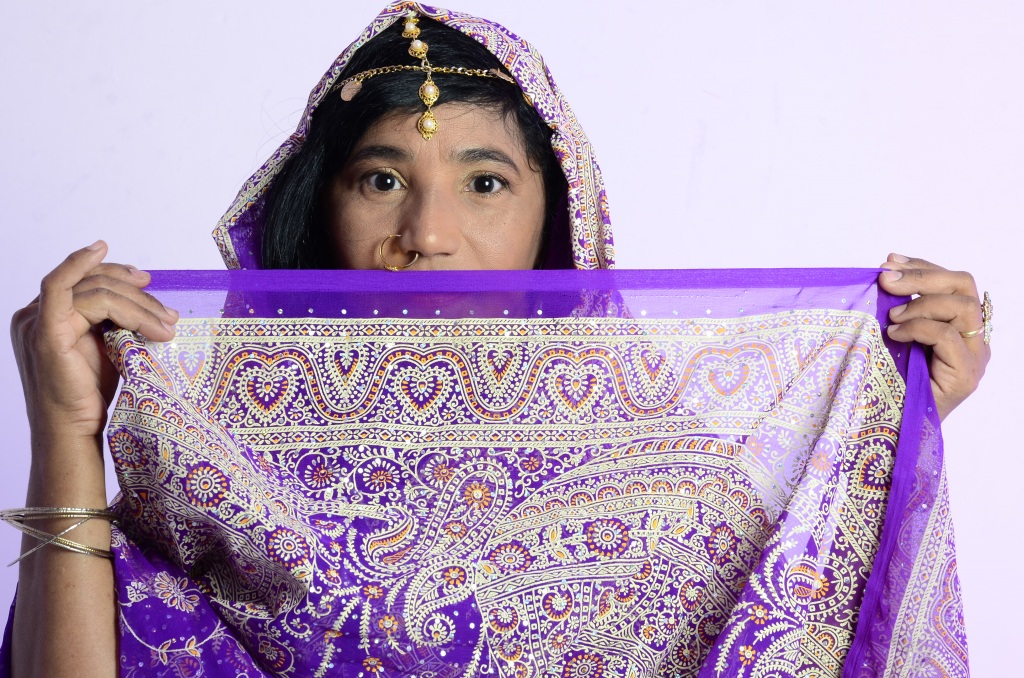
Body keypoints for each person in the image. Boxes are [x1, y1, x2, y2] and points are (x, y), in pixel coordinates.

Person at [5, 2, 989, 676]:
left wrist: (889, 429)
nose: (428, 234)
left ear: (557, 221)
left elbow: (798, 630)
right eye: (381, 180)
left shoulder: (668, 490)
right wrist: (64, 431)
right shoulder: (213, 468)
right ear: (321, 209)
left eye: (485, 183)